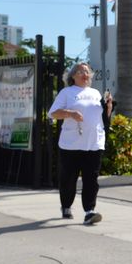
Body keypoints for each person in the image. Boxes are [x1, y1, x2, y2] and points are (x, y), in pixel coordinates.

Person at [48, 63, 113, 225]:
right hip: (71, 144)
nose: (85, 74)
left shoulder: (96, 93)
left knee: (91, 179)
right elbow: (53, 113)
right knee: (69, 179)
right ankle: (66, 205)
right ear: (73, 76)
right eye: (80, 71)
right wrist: (70, 113)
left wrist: (109, 106)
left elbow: (103, 117)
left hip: (94, 143)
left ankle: (89, 211)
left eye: (87, 71)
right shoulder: (67, 93)